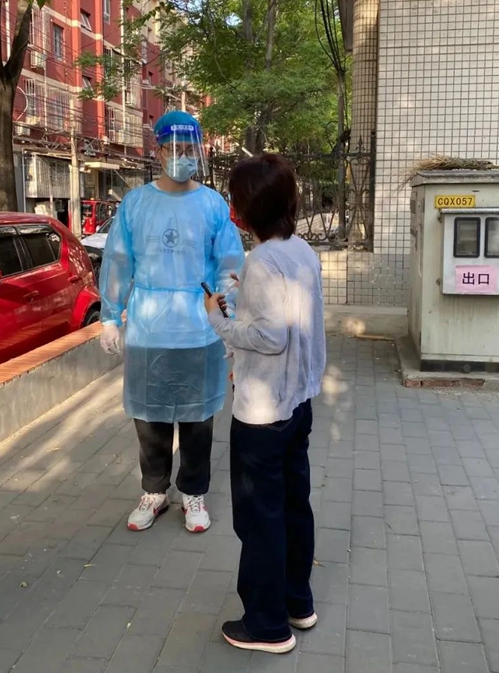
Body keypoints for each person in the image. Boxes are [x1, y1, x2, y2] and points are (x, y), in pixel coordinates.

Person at [99, 110, 244, 534]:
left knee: (198, 421)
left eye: (189, 149)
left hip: (199, 329)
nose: (182, 156)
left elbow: (230, 265)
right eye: (173, 148)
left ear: (199, 151)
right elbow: (119, 261)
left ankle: (194, 492)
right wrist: (110, 316)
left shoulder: (212, 204)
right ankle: (155, 491)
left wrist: (228, 318)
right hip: (148, 327)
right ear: (158, 152)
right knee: (150, 419)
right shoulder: (136, 203)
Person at [204, 154, 326, 654]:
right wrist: (245, 297)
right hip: (297, 402)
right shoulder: (302, 250)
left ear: (245, 210)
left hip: (262, 413)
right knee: (294, 506)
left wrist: (218, 319)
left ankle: (267, 625)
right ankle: (298, 602)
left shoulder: (261, 262)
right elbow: (288, 317)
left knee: (259, 518)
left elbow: (270, 337)